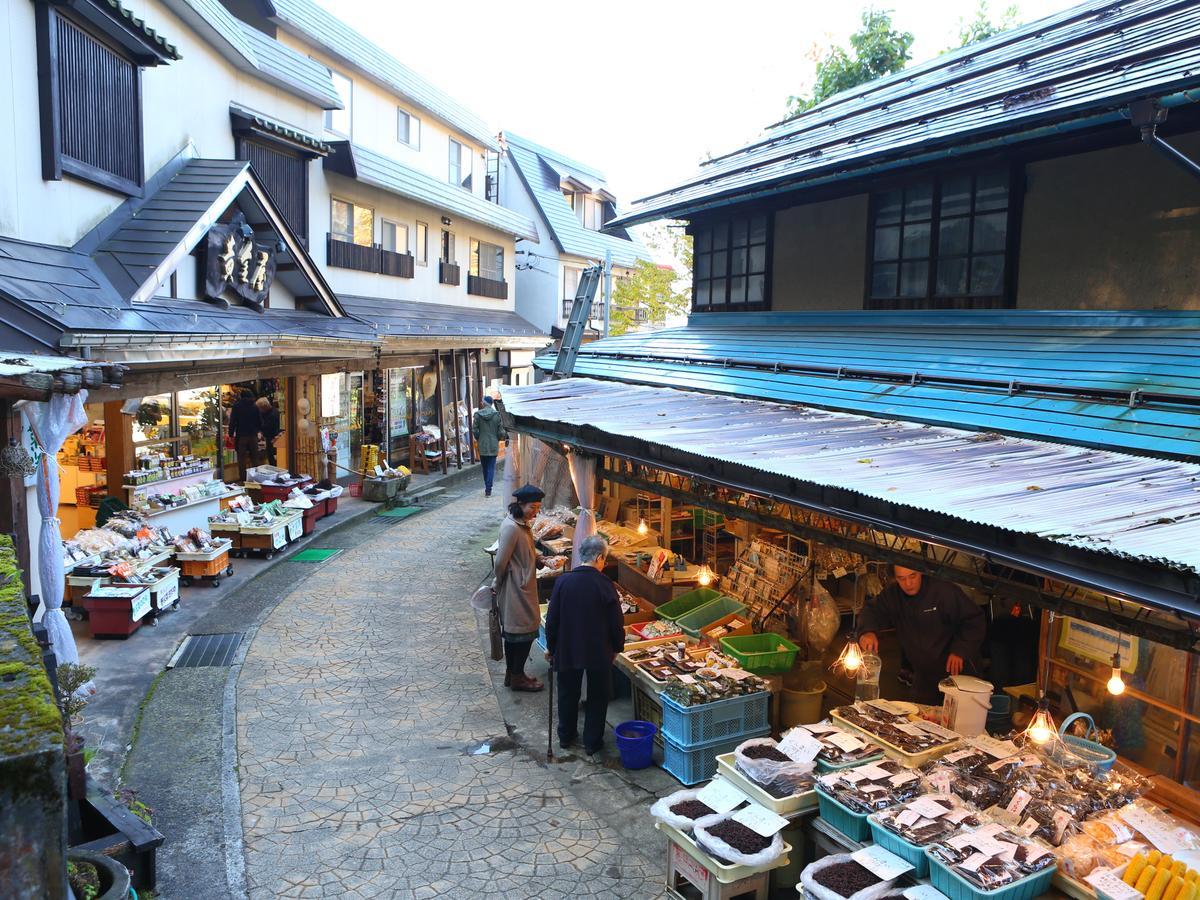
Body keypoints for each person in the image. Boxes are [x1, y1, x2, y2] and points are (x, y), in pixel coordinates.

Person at [857, 565, 987, 705]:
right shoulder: (893, 595)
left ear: (921, 572)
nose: (908, 583)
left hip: (958, 672)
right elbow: (872, 610)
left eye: (912, 576)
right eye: (902, 579)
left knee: (958, 720)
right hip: (924, 675)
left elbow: (974, 619)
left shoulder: (944, 591)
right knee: (919, 717)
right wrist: (868, 631)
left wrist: (960, 650)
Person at [545, 534, 622, 755]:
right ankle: (592, 741)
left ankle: (565, 736)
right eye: (604, 559)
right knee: (598, 696)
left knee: (568, 692)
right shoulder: (605, 584)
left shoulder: (563, 581)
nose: (604, 564)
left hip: (568, 648)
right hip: (599, 650)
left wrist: (551, 647)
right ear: (599, 557)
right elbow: (616, 621)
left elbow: (552, 620)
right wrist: (617, 647)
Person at [494, 483, 549, 692]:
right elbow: (500, 562)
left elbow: (526, 551)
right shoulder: (511, 528)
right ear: (521, 504)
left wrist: (541, 558)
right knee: (523, 634)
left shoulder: (521, 524)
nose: (536, 511)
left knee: (517, 634)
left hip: (520, 585)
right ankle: (517, 677)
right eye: (532, 507)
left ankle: (513, 674)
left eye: (538, 507)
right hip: (516, 588)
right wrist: (500, 584)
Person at [472, 395, 505, 497]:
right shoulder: (497, 415)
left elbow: (474, 430)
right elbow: (501, 432)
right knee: (491, 467)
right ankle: (488, 489)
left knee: (484, 467)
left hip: (482, 444)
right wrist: (498, 439)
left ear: (483, 403)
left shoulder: (477, 415)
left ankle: (487, 486)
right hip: (493, 444)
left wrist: (479, 438)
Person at [228, 389, 263, 482]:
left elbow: (233, 421)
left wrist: (231, 434)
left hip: (241, 436)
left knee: (241, 459)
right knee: (255, 458)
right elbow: (260, 421)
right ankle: (256, 478)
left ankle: (243, 479)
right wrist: (258, 431)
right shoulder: (255, 406)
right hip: (253, 436)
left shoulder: (237, 406)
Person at [256, 397, 281, 467]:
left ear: (264, 407)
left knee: (272, 458)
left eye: (259, 408)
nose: (259, 410)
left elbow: (268, 428)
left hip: (273, 439)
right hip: (271, 438)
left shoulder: (272, 415)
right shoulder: (272, 411)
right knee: (271, 458)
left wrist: (259, 427)